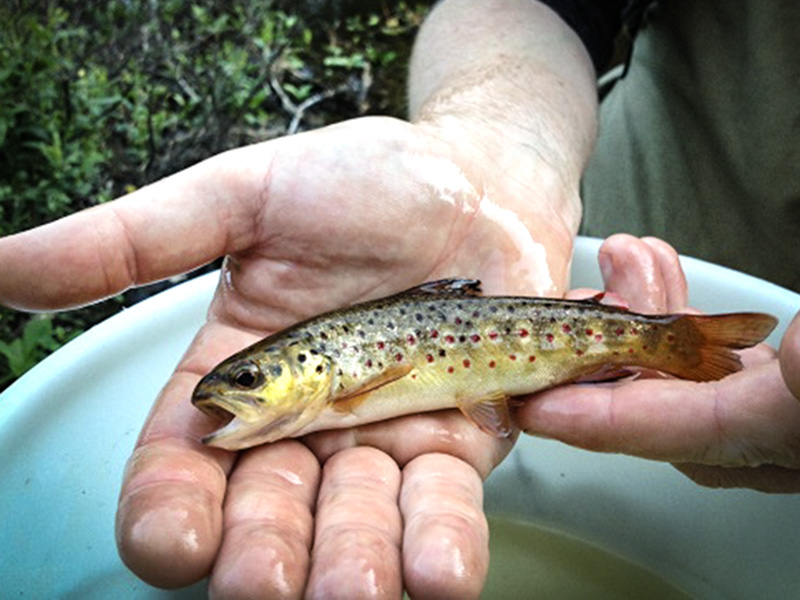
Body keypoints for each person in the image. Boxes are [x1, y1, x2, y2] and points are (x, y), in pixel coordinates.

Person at [0, 0, 798, 597]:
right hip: (605, 202)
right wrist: (489, 147)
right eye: (245, 382)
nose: (231, 393)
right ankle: (666, 345)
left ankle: (663, 344)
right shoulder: (327, 378)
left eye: (248, 380)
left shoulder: (342, 380)